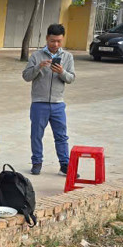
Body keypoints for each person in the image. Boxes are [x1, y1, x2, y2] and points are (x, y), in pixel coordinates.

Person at [22, 23, 75, 175]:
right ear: (47, 38)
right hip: (39, 103)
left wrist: (62, 72)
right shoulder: (36, 56)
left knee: (61, 136)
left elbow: (71, 78)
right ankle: (37, 162)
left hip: (58, 103)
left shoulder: (67, 57)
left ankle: (65, 165)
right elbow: (26, 76)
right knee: (36, 135)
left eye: (59, 41)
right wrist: (38, 67)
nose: (55, 44)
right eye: (52, 41)